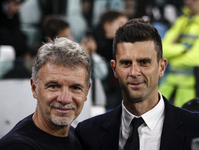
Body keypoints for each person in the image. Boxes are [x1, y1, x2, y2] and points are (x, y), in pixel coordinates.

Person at [75, 18, 199, 150]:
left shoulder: (195, 129)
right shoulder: (88, 133)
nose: (134, 72)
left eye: (144, 62)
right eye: (126, 63)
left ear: (162, 67)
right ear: (114, 69)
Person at [0, 37, 91, 149]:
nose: (65, 98)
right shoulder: (16, 146)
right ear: (34, 88)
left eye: (75, 88)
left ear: (86, 91)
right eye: (53, 86)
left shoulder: (78, 138)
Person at [158, 0, 199, 107]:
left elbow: (195, 59)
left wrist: (171, 57)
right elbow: (161, 49)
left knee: (188, 122)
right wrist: (184, 48)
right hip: (168, 84)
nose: (188, 1)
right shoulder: (181, 20)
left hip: (191, 89)